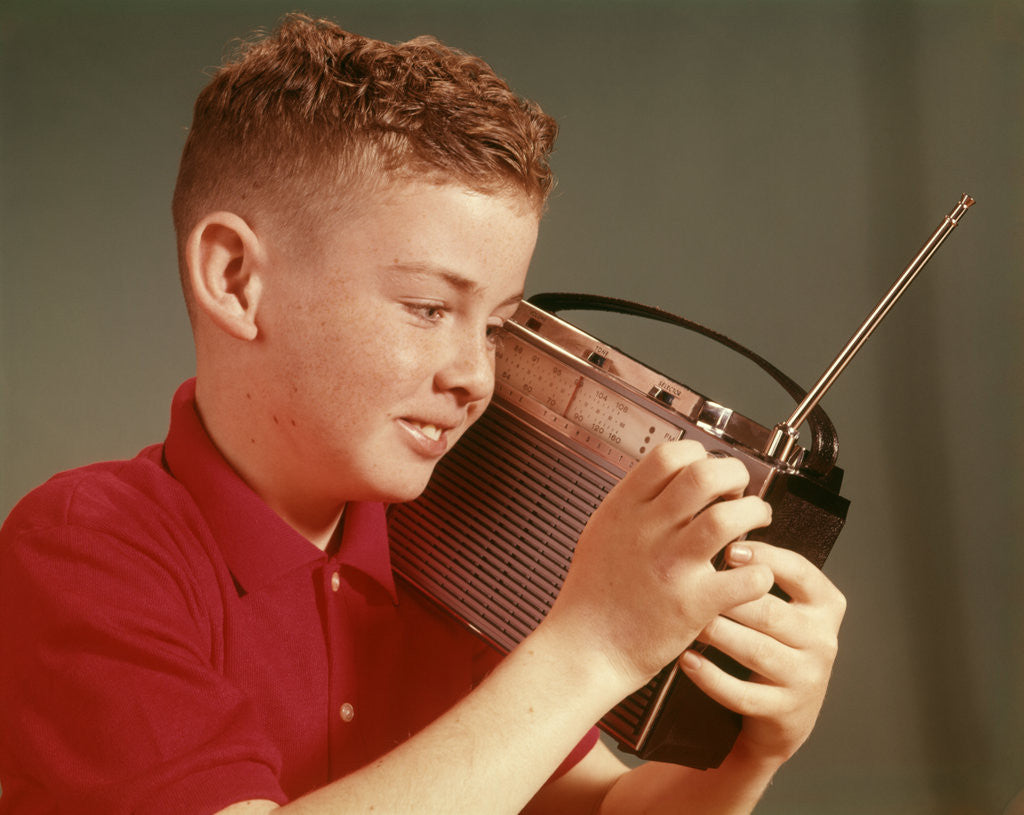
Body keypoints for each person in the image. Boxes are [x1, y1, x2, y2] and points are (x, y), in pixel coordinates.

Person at [0, 13, 846, 814]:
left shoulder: (454, 549)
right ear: (234, 279)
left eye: (500, 327)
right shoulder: (82, 549)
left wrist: (751, 749)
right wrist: (591, 646)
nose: (475, 376)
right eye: (428, 307)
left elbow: (602, 804)